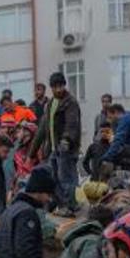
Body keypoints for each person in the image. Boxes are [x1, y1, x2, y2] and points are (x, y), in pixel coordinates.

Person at [30, 73, 81, 214]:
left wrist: (66, 140)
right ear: (51, 88)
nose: (58, 89)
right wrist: (32, 152)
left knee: (66, 178)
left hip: (66, 148)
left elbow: (72, 124)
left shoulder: (70, 102)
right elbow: (42, 129)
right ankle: (63, 205)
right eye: (55, 87)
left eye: (61, 86)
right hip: (52, 149)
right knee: (53, 179)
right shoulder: (51, 104)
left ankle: (70, 206)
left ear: (64, 85)